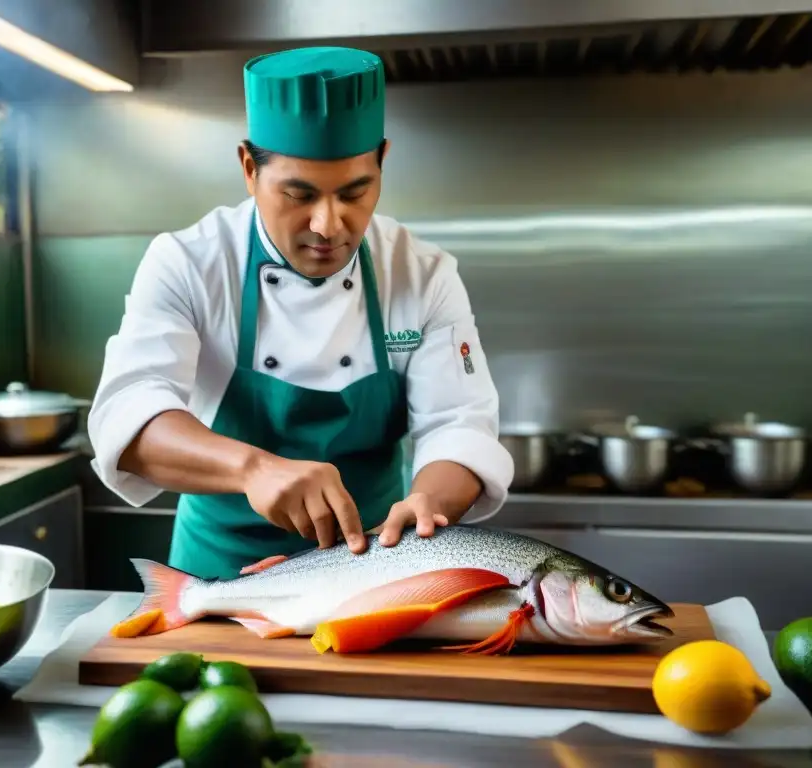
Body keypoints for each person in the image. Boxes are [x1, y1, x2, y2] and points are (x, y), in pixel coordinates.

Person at [87, 46, 514, 580]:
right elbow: (127, 414)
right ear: (249, 168)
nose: (328, 225)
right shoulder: (191, 262)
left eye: (356, 193)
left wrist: (429, 502)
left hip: (369, 570)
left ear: (381, 161)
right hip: (216, 572)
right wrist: (252, 467)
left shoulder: (422, 273)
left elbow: (460, 423)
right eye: (298, 194)